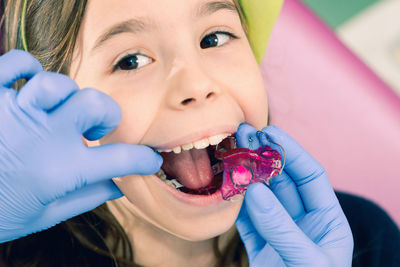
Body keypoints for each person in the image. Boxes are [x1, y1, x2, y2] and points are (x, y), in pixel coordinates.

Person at [0, 0, 398, 266]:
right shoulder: (20, 250)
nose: (195, 85)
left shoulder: (361, 239)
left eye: (214, 38)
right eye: (131, 60)